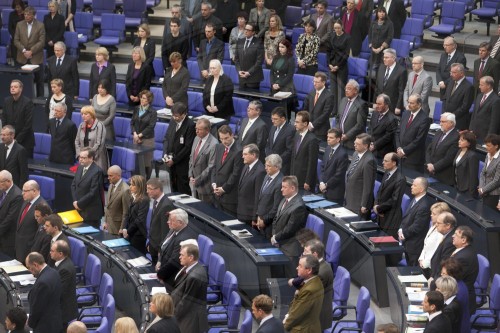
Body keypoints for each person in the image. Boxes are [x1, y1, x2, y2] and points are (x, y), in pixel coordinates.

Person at [271, 176, 307, 275]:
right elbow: (276, 219)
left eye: (284, 187)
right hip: (279, 241)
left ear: (292, 188)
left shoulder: (298, 206)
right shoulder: (284, 200)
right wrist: (275, 236)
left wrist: (276, 237)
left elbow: (290, 229)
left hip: (290, 248)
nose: (281, 189)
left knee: (288, 277)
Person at [170, 243, 209, 333]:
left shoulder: (195, 276)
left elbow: (185, 303)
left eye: (182, 255)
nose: (179, 257)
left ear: (190, 258)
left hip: (191, 320)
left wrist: (172, 317)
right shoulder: (190, 269)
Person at [156, 208, 196, 292]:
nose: (168, 222)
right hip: (164, 268)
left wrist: (160, 275)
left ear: (180, 222)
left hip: (172, 278)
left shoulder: (183, 238)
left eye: (171, 220)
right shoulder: (173, 230)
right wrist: (159, 261)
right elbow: (163, 245)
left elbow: (174, 262)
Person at [161, 102, 196, 195]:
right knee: (172, 185)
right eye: (173, 115)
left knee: (183, 187)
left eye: (177, 116)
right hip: (170, 160)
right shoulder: (172, 121)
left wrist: (175, 160)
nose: (175, 118)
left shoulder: (190, 125)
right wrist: (165, 154)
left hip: (182, 163)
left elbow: (187, 147)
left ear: (184, 114)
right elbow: (166, 138)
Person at [284, 255, 324, 332]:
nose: (297, 268)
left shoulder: (309, 290)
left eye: (300, 266)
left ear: (309, 270)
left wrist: (282, 329)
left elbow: (296, 316)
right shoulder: (316, 280)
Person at [398, 177, 432, 266]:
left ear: (421, 189)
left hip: (414, 246)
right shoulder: (416, 199)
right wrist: (401, 229)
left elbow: (417, 226)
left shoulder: (424, 206)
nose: (411, 187)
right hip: (407, 241)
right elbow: (406, 217)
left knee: (412, 270)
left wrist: (404, 234)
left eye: (414, 185)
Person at [25, 252, 63, 333]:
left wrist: (30, 323)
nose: (29, 270)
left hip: (46, 326)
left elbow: (37, 308)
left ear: (35, 265)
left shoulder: (43, 283)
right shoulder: (54, 272)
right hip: (56, 320)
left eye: (29, 267)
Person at [211, 125, 243, 216]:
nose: (224, 141)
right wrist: (214, 184)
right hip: (217, 193)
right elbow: (214, 167)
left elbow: (235, 174)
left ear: (232, 135)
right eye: (221, 139)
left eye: (226, 138)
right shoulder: (219, 147)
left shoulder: (238, 151)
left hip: (229, 196)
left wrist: (223, 188)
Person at [13, 6, 45, 97]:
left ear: (34, 15)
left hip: (36, 57)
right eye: (25, 14)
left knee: (39, 81)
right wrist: (24, 51)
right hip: (22, 57)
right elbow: (16, 40)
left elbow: (42, 41)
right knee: (21, 81)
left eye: (28, 14)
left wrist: (31, 51)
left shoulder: (40, 25)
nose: (26, 16)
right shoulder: (19, 24)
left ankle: (40, 100)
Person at [395, 94, 431, 173]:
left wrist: (404, 151)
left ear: (419, 104)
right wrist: (398, 148)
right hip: (400, 156)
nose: (409, 105)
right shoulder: (406, 114)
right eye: (408, 102)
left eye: (412, 103)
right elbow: (398, 132)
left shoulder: (424, 119)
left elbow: (419, 139)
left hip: (413, 159)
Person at [302, 240, 333, 331]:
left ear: (314, 254)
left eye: (306, 252)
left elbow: (308, 295)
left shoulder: (321, 273)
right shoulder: (321, 265)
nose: (303, 254)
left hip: (318, 316)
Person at [71, 148, 104, 229]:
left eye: (83, 158)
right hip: (79, 208)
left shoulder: (97, 171)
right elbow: (73, 185)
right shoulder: (80, 167)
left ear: (91, 158)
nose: (80, 160)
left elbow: (93, 192)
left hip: (90, 213)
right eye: (80, 157)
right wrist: (75, 201)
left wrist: (79, 204)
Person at [345, 133, 377, 219]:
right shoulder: (356, 153)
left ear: (366, 146)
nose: (354, 145)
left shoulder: (369, 161)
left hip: (358, 204)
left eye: (358, 144)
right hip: (349, 198)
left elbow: (368, 185)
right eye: (355, 143)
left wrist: (364, 204)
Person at [374, 152, 405, 238]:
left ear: (394, 163)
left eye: (386, 161)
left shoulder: (400, 179)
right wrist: (376, 206)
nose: (383, 162)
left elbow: (394, 200)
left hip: (390, 219)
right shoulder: (387, 172)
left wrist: (379, 208)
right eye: (383, 160)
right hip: (381, 215)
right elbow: (379, 191)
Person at [2, 80, 35, 158]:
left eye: (15, 87)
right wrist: (7, 135)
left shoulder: (28, 102)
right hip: (9, 139)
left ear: (21, 89)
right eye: (11, 87)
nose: (12, 88)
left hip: (25, 141)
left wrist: (16, 139)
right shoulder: (7, 101)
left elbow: (28, 124)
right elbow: (4, 118)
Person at [146, 178, 175, 266]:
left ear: (158, 189)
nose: (147, 191)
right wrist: (149, 243)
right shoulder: (156, 201)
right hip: (153, 245)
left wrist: (161, 251)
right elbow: (154, 225)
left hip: (158, 248)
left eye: (149, 189)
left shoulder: (166, 206)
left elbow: (165, 232)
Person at [15, 180, 46, 262]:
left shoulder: (42, 206)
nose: (22, 193)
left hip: (29, 251)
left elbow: (40, 234)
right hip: (19, 248)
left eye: (25, 191)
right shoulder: (26, 201)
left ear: (34, 191)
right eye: (22, 190)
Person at [425, 113, 460, 185]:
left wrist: (434, 167)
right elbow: (429, 149)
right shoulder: (439, 132)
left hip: (444, 176)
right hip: (431, 171)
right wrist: (429, 163)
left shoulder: (456, 137)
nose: (440, 124)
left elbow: (449, 158)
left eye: (443, 122)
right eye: (440, 121)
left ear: (451, 123)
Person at [451, 225, 479, 314]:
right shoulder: (463, 251)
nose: (452, 236)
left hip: (461, 300)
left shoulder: (463, 258)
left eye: (455, 234)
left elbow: (451, 279)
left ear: (463, 240)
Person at [189, 118, 217, 203]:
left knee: (205, 211)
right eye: (196, 129)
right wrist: (190, 175)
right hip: (194, 182)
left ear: (207, 130)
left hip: (205, 185)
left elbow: (211, 166)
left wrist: (197, 179)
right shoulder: (196, 139)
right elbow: (191, 157)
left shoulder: (214, 144)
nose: (197, 131)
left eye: (199, 129)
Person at [50, 240, 78, 328]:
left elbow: (59, 292)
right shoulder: (61, 263)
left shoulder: (65, 269)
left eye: (52, 251)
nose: (50, 252)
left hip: (64, 312)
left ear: (60, 254)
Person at [418, 202, 450, 278]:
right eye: (431, 213)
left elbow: (436, 252)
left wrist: (425, 263)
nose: (431, 215)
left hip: (430, 268)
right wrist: (421, 258)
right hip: (423, 264)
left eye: (434, 214)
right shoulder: (433, 226)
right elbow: (425, 245)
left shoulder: (442, 233)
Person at [130, 90, 157, 178]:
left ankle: (147, 181)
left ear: (149, 100)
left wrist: (140, 135)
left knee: (147, 162)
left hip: (147, 139)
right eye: (141, 97)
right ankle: (137, 181)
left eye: (144, 98)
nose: (142, 99)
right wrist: (134, 134)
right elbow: (132, 123)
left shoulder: (153, 112)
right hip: (136, 138)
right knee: (136, 162)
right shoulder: (136, 108)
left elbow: (151, 126)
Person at [255, 154, 283, 239]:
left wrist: (264, 220)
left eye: (268, 166)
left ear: (277, 167)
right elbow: (261, 198)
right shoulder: (267, 176)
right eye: (265, 165)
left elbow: (276, 207)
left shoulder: (280, 182)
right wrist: (259, 216)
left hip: (269, 225)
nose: (265, 168)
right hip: (260, 219)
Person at [290, 111, 319, 193]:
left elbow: (312, 163)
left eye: (297, 122)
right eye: (295, 121)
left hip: (304, 181)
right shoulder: (296, 135)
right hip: (295, 178)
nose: (295, 124)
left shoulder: (312, 139)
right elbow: (293, 157)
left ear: (305, 123)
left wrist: (308, 181)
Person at [237, 144, 266, 224]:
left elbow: (257, 196)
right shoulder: (246, 166)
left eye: (245, 154)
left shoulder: (260, 171)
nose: (243, 156)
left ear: (253, 155)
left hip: (249, 216)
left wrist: (254, 217)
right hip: (242, 211)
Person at [336, 80, 368, 150]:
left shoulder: (362, 104)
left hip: (353, 142)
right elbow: (338, 118)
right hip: (340, 140)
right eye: (346, 88)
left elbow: (360, 125)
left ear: (356, 91)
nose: (346, 90)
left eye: (349, 89)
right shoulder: (343, 100)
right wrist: (338, 132)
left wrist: (347, 136)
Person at [441, 63, 474, 131]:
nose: (451, 74)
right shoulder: (451, 81)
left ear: (461, 73)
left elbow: (465, 106)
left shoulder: (468, 87)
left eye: (454, 72)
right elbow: (445, 98)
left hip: (458, 121)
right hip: (446, 119)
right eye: (451, 72)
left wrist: (451, 116)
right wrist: (445, 114)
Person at [75, 105, 108, 172]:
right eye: (82, 114)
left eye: (86, 114)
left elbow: (99, 143)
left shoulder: (99, 126)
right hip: (83, 158)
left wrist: (89, 156)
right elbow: (77, 141)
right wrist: (80, 156)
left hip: (96, 158)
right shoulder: (81, 125)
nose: (83, 116)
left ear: (92, 115)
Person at [326, 20, 350, 111]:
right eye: (335, 28)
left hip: (342, 66)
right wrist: (329, 64)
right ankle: (333, 110)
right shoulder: (331, 36)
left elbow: (346, 54)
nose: (337, 30)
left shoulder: (347, 37)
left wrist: (338, 66)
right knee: (333, 90)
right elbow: (328, 51)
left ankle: (341, 111)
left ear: (342, 27)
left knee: (341, 91)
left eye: (339, 28)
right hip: (332, 65)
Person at [122, 175, 149, 255]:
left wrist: (128, 231)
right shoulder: (133, 197)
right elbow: (128, 215)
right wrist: (124, 228)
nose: (130, 187)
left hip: (138, 234)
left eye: (133, 185)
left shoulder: (144, 200)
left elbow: (139, 219)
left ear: (139, 186)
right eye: (130, 184)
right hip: (131, 232)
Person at [375, 48, 407, 115]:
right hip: (380, 104)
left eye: (386, 57)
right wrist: (375, 102)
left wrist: (398, 107)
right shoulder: (381, 67)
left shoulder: (401, 71)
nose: (384, 59)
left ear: (393, 58)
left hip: (392, 105)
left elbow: (401, 91)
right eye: (384, 57)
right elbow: (377, 86)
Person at [320, 128, 348, 203]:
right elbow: (322, 167)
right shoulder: (328, 148)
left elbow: (338, 175)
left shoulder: (343, 154)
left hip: (335, 192)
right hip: (324, 189)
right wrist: (321, 182)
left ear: (338, 139)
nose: (328, 139)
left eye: (331, 137)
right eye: (327, 137)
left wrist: (326, 185)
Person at [303, 72, 333, 140]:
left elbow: (326, 114)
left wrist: (313, 125)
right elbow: (305, 109)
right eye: (314, 81)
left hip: (321, 131)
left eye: (317, 82)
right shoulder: (311, 93)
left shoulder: (329, 96)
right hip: (308, 127)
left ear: (323, 82)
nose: (314, 84)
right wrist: (307, 122)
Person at [469, 76, 500, 142]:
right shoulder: (479, 96)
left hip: (485, 134)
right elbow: (474, 113)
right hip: (474, 132)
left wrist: (489, 137)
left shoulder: (496, 100)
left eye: (481, 85)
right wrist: (471, 129)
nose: (479, 87)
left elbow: (494, 121)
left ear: (488, 85)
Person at [0, 170, 23, 257]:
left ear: (8, 181)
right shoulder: (2, 190)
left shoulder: (17, 196)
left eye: (0, 182)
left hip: (8, 238)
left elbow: (10, 219)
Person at [234, 23, 264, 90]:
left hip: (253, 78)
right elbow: (236, 59)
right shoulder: (240, 41)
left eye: (248, 30)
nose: (246, 31)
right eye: (245, 29)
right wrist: (239, 71)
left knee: (252, 100)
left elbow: (259, 61)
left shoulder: (259, 43)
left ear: (253, 32)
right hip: (241, 77)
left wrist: (249, 72)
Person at [265, 107, 294, 175]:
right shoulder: (273, 127)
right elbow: (268, 145)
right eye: (272, 118)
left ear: (283, 119)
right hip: (271, 164)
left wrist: (276, 161)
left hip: (282, 166)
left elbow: (289, 150)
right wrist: (270, 159)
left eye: (275, 119)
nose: (273, 121)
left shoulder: (290, 130)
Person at [430, 212, 457, 281]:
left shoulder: (450, 241)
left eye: (438, 223)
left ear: (448, 225)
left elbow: (443, 263)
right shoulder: (447, 236)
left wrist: (434, 279)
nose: (436, 225)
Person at [104, 165, 131, 235]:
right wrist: (105, 221)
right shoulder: (111, 185)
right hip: (109, 224)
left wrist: (122, 228)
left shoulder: (125, 190)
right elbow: (108, 206)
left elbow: (126, 212)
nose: (108, 178)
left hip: (117, 227)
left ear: (118, 176)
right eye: (108, 175)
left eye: (110, 176)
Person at [454, 131, 479, 197]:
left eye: (462, 140)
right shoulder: (459, 151)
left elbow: (473, 176)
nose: (459, 141)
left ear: (469, 143)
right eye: (459, 139)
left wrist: (471, 193)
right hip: (457, 185)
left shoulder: (472, 156)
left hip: (466, 189)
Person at [479, 134, 500, 209]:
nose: (486, 148)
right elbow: (483, 173)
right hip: (483, 190)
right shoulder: (488, 154)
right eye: (486, 145)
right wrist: (481, 187)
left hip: (493, 194)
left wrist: (483, 189)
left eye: (488, 146)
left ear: (496, 146)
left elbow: (497, 181)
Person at [8, 0, 26, 65]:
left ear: (21, 6)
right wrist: (16, 36)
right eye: (15, 7)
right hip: (15, 38)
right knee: (16, 58)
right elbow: (10, 28)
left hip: (25, 38)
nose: (17, 9)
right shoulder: (12, 14)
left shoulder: (26, 13)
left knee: (24, 58)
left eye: (18, 7)